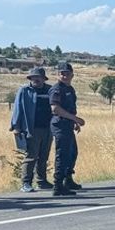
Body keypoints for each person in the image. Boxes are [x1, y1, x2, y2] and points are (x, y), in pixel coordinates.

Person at [10, 67, 54, 192]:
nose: (36, 79)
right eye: (33, 77)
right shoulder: (24, 90)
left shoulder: (49, 90)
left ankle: (42, 181)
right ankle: (26, 183)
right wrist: (16, 127)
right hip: (31, 129)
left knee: (44, 156)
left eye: (38, 77)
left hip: (48, 128)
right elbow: (17, 109)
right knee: (31, 156)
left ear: (43, 79)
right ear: (30, 78)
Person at [48, 62, 85, 197]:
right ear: (58, 74)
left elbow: (71, 107)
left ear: (72, 75)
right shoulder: (56, 89)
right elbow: (55, 109)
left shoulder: (70, 89)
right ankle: (58, 185)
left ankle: (68, 180)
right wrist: (75, 119)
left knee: (72, 153)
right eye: (62, 73)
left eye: (67, 73)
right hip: (59, 124)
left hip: (68, 125)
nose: (64, 76)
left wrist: (75, 122)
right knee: (62, 155)